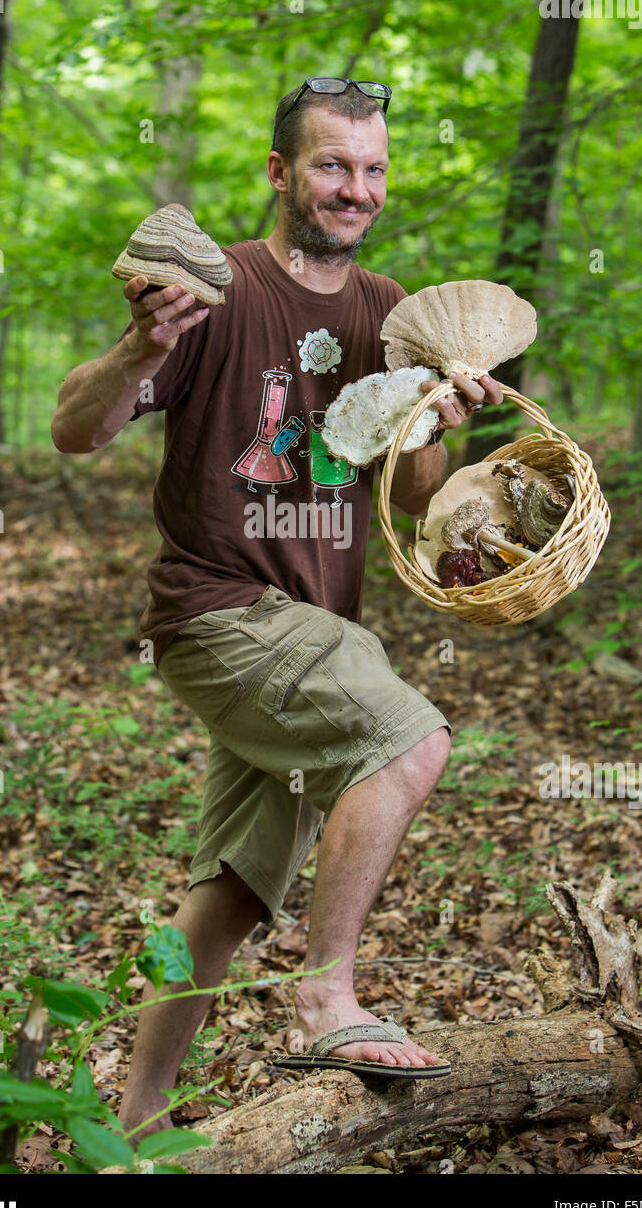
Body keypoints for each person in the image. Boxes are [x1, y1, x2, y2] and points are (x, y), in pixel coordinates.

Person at [51, 77, 503, 1142]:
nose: (355, 188)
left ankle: (135, 1130)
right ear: (279, 173)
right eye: (332, 164)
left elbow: (411, 493)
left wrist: (434, 410)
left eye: (372, 167)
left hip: (314, 627)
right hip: (218, 609)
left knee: (232, 892)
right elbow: (78, 428)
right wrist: (138, 351)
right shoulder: (216, 289)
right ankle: (326, 996)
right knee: (409, 740)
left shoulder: (387, 311)